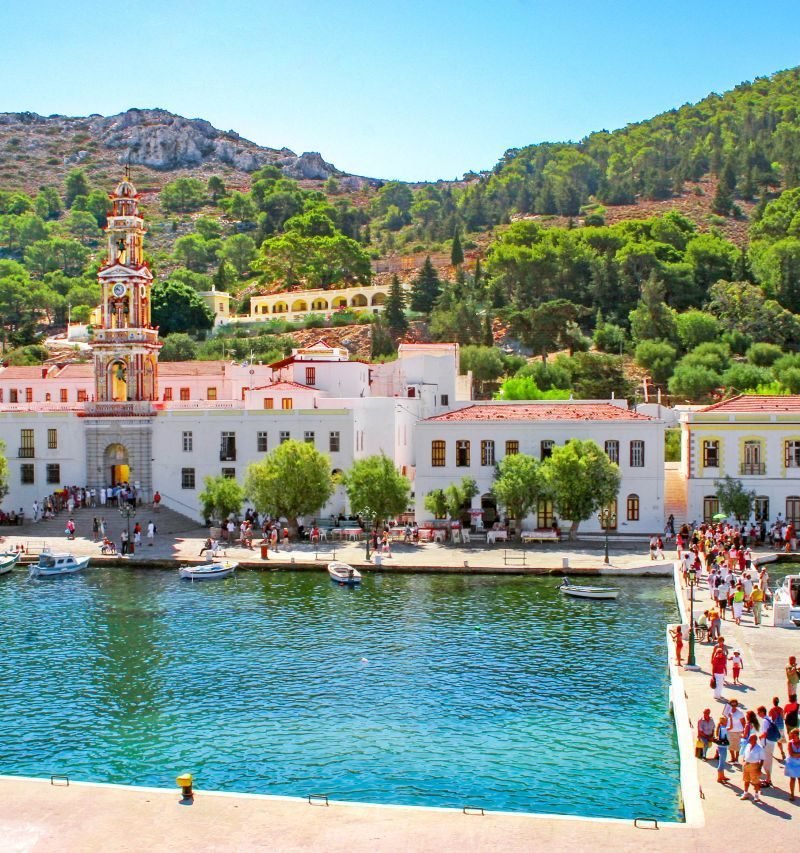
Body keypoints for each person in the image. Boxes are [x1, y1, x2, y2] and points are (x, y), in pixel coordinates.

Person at [740, 732, 765, 802]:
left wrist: (759, 768)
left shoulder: (759, 748)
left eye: (750, 739)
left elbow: (762, 759)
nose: (749, 740)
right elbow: (744, 754)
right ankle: (745, 793)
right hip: (746, 765)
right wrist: (743, 762)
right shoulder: (748, 745)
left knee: (756, 782)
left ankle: (756, 796)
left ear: (755, 739)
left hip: (754, 765)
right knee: (746, 780)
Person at [726, 698, 746, 764]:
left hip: (739, 731)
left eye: (735, 705)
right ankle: (732, 758)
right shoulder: (727, 712)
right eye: (732, 705)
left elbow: (744, 723)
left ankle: (736, 759)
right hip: (730, 731)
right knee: (730, 745)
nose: (733, 707)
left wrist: (744, 732)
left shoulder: (740, 713)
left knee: (738, 746)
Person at [769, 696, 787, 760]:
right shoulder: (781, 709)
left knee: (772, 739)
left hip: (774, 726)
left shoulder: (772, 709)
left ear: (773, 702)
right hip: (781, 726)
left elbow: (769, 717)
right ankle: (782, 752)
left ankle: (770, 752)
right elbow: (783, 717)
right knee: (779, 741)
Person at [785, 727, 800, 801]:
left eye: (793, 735)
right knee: (792, 779)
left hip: (798, 763)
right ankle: (792, 794)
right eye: (792, 735)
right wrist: (798, 754)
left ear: (797, 735)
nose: (792, 737)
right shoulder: (790, 743)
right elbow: (791, 754)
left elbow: (794, 754)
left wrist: (795, 754)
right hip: (792, 763)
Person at [715, 715, 731, 783]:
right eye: (726, 721)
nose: (727, 722)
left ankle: (722, 776)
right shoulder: (723, 729)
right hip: (723, 748)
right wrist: (731, 720)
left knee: (722, 762)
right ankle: (719, 778)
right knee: (721, 763)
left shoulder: (721, 728)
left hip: (721, 747)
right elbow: (731, 728)